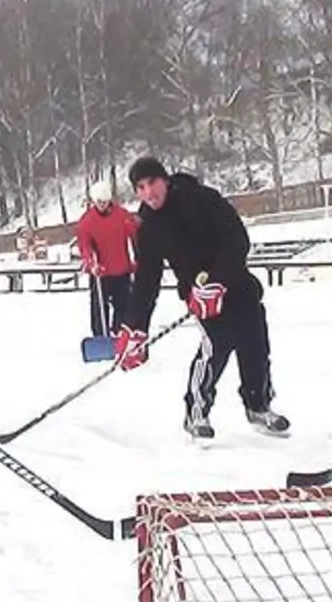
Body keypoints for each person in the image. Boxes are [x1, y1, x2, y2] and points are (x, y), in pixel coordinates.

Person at [114, 156, 290, 442]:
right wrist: (136, 327)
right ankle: (196, 411)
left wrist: (218, 279)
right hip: (198, 295)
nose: (149, 193)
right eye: (140, 188)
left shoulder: (203, 199)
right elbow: (147, 279)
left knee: (254, 343)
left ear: (165, 180)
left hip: (236, 282)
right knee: (216, 345)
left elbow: (237, 240)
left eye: (152, 183)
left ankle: (258, 405)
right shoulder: (149, 227)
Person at [76, 178, 136, 336]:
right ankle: (100, 336)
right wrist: (90, 263)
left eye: (104, 201)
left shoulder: (122, 216)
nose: (102, 205)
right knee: (99, 308)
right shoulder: (87, 222)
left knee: (124, 305)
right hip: (100, 273)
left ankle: (121, 334)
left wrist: (138, 257)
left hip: (121, 269)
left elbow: (136, 236)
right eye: (99, 202)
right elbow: (84, 245)